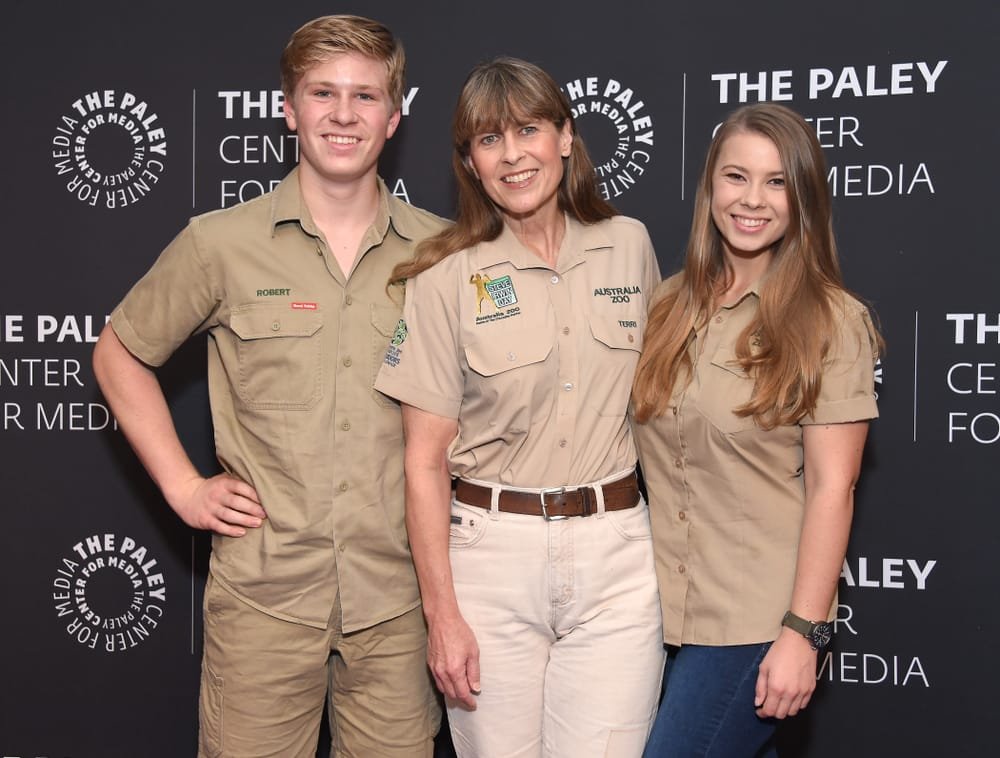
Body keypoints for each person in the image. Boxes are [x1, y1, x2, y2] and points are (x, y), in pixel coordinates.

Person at [92, 15, 445, 757]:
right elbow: (118, 353)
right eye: (323, 93)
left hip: (401, 606)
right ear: (288, 108)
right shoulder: (219, 244)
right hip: (264, 600)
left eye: (365, 96)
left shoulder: (444, 252)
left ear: (394, 115)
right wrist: (184, 488)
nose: (343, 114)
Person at [374, 57, 664, 757]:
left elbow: (666, 410)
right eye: (488, 140)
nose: (512, 156)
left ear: (565, 137)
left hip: (616, 557)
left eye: (528, 130)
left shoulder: (630, 246)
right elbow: (423, 461)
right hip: (490, 559)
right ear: (470, 163)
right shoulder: (444, 275)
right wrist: (442, 615)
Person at [631, 102, 882, 757]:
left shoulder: (832, 321)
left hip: (758, 621)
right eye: (736, 177)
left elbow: (835, 487)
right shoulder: (666, 303)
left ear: (803, 199)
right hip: (659, 612)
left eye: (776, 183)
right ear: (710, 185)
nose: (752, 200)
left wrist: (803, 633)